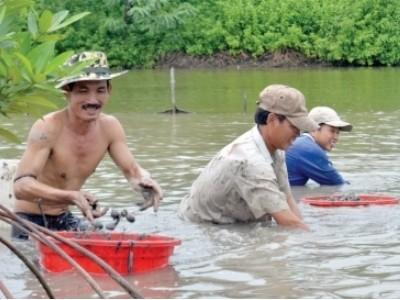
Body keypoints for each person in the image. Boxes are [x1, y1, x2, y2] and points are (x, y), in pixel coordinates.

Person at [12, 51, 163, 239]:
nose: (92, 100)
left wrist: (146, 183)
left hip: (64, 217)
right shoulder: (47, 127)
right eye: (83, 91)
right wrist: (72, 196)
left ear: (109, 90)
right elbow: (20, 187)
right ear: (66, 92)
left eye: (100, 90)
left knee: (106, 242)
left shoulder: (110, 127)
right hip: (29, 220)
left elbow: (132, 171)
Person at [178, 84, 318, 229]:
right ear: (272, 120)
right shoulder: (250, 162)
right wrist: (316, 244)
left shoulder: (276, 148)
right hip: (201, 228)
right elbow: (287, 221)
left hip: (231, 221)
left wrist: (303, 228)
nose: (298, 133)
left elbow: (287, 199)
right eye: (294, 127)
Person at [285, 106, 352, 186]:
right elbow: (338, 184)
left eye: (338, 133)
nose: (336, 137)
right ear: (314, 129)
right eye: (332, 131)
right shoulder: (309, 150)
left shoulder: (299, 142)